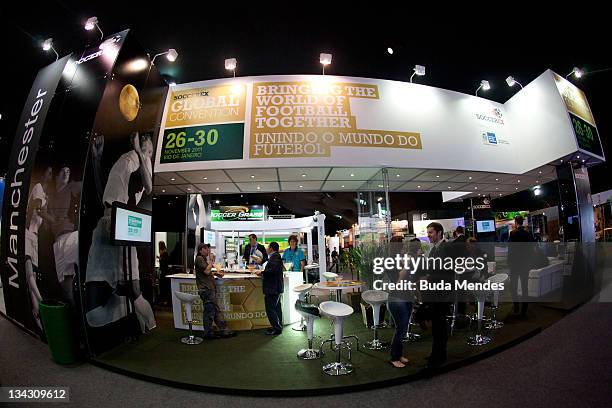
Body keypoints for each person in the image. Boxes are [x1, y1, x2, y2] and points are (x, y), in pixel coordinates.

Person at [84, 132, 157, 332]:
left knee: (134, 290)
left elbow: (149, 187)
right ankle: (129, 312)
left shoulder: (143, 163)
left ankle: (150, 325)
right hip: (105, 222)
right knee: (94, 315)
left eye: (149, 149)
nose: (145, 149)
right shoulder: (124, 160)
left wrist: (140, 152)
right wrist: (96, 160)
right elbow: (105, 195)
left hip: (121, 222)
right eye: (144, 145)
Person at [25, 167, 53, 330]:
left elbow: (46, 225)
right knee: (29, 272)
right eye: (48, 172)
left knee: (33, 276)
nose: (50, 174)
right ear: (43, 174)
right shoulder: (38, 188)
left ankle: (37, 313)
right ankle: (43, 304)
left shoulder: (45, 196)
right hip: (27, 233)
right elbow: (35, 210)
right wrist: (50, 217)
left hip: (35, 237)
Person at [423, 222, 452, 368]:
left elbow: (446, 273)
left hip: (442, 294)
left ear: (439, 233)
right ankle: (437, 353)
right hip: (435, 292)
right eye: (428, 232)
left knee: (440, 326)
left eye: (431, 232)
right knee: (436, 326)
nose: (428, 235)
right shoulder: (435, 248)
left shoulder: (446, 248)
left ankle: (439, 355)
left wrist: (428, 277)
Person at [386, 235, 417, 368]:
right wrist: (406, 266)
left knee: (404, 328)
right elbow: (398, 281)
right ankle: (394, 357)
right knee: (401, 328)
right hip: (397, 298)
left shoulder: (402, 259)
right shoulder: (390, 261)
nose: (405, 247)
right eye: (403, 245)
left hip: (407, 296)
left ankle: (398, 354)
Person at [195, 243, 233, 339]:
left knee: (215, 311)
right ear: (201, 250)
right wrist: (211, 261)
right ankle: (208, 333)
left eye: (208, 249)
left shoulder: (202, 259)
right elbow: (206, 271)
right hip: (206, 289)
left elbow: (207, 273)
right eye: (206, 249)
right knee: (209, 312)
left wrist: (215, 273)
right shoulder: (199, 258)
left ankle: (223, 330)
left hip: (209, 289)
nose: (208, 251)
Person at [507, 215, 534, 317]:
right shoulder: (528, 234)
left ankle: (516, 306)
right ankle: (524, 310)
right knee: (524, 287)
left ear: (515, 222)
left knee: (513, 287)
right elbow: (531, 249)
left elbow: (510, 250)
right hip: (525, 264)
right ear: (522, 222)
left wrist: (509, 263)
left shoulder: (513, 234)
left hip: (515, 264)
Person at [255, 241, 284, 335]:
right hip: (275, 287)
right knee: (276, 307)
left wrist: (262, 272)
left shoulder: (275, 257)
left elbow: (273, 270)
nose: (267, 249)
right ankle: (278, 326)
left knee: (271, 308)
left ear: (271, 248)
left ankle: (276, 328)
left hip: (272, 288)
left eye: (268, 247)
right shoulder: (274, 256)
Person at [157, 241, 170, 305]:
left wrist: (160, 259)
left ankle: (163, 300)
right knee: (164, 287)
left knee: (163, 287)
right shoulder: (165, 254)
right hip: (165, 272)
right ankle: (164, 300)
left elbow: (163, 264)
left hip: (164, 273)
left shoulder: (164, 254)